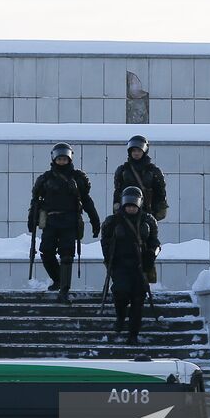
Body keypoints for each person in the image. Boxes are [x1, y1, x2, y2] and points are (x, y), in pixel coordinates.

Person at [27, 143, 101, 303]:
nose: (61, 161)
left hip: (70, 221)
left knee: (67, 255)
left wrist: (94, 219)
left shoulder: (78, 178)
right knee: (46, 252)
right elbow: (36, 202)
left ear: (69, 159)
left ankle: (64, 289)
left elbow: (86, 200)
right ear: (54, 159)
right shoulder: (45, 179)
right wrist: (31, 220)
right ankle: (58, 279)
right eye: (59, 159)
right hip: (51, 220)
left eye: (64, 159)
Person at [100, 186, 160, 344]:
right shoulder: (112, 221)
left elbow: (155, 242)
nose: (131, 208)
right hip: (120, 264)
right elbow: (105, 242)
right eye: (128, 205)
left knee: (138, 300)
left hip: (140, 265)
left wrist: (152, 254)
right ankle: (120, 317)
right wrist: (109, 259)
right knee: (120, 293)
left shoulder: (148, 220)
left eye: (134, 205)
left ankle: (133, 334)